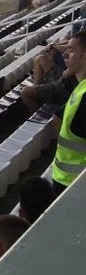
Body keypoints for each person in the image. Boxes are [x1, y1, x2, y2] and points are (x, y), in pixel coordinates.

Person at [51, 30, 86, 193]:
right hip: (67, 181)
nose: (64, 54)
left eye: (71, 50)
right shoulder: (80, 88)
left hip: (73, 188)